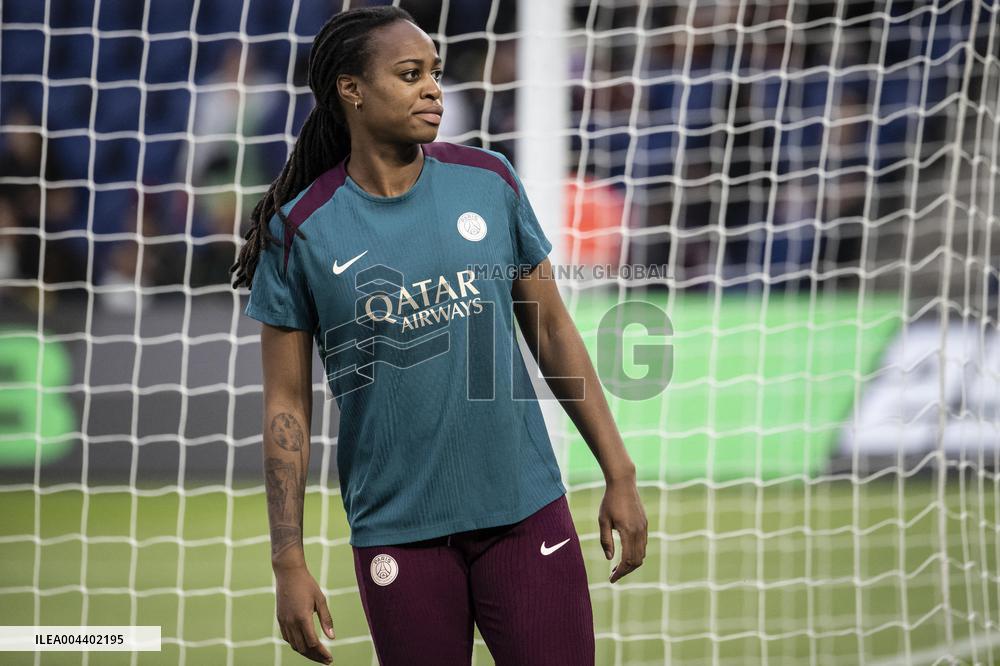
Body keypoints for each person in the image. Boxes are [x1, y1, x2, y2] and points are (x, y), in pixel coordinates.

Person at [229, 7, 647, 665]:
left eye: (435, 73)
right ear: (351, 89)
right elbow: (286, 407)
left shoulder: (488, 180)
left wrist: (618, 471)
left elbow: (553, 331)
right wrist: (289, 561)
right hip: (399, 531)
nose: (433, 88)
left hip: (524, 511)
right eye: (410, 73)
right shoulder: (299, 232)